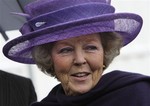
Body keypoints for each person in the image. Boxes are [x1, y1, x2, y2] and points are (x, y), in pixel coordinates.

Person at [2, 0, 150, 106]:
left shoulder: (139, 95)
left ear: (105, 52)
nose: (80, 60)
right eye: (65, 50)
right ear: (49, 59)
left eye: (91, 47)